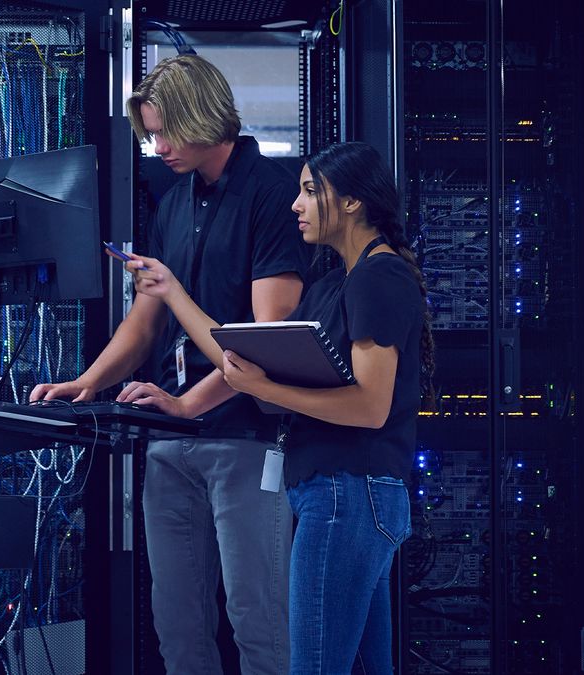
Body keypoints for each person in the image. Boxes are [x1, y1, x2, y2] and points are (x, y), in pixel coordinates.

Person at [30, 54, 309, 674]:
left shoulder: (273, 195)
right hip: (168, 437)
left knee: (256, 619)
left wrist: (187, 403)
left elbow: (267, 338)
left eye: (166, 132)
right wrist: (88, 382)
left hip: (246, 436)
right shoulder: (173, 203)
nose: (157, 147)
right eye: (150, 134)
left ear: (204, 115)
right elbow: (146, 318)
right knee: (177, 625)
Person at [122, 141, 434, 674]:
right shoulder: (337, 281)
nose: (296, 205)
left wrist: (269, 392)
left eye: (311, 192)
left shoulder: (378, 278)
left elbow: (370, 406)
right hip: (345, 495)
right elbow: (239, 354)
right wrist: (172, 292)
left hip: (347, 495)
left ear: (353, 202)